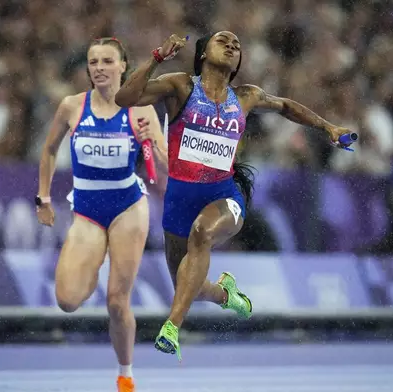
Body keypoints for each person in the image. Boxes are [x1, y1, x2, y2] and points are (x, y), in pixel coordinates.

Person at [115, 32, 352, 360]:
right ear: (202, 54)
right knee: (192, 288)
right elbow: (124, 98)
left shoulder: (245, 97)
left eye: (237, 45)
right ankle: (226, 294)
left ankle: (172, 326)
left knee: (203, 232)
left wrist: (328, 128)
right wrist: (157, 57)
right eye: (222, 41)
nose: (231, 46)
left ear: (239, 63)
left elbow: (285, 106)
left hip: (224, 195)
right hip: (178, 201)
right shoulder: (181, 86)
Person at [36, 37, 166, 392]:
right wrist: (43, 198)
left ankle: (125, 374)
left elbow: (164, 173)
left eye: (108, 61)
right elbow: (48, 151)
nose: (99, 68)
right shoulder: (72, 106)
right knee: (66, 300)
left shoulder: (141, 108)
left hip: (128, 207)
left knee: (116, 301)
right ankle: (91, 268)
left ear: (123, 66)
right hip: (88, 209)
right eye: (93, 62)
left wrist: (150, 144)